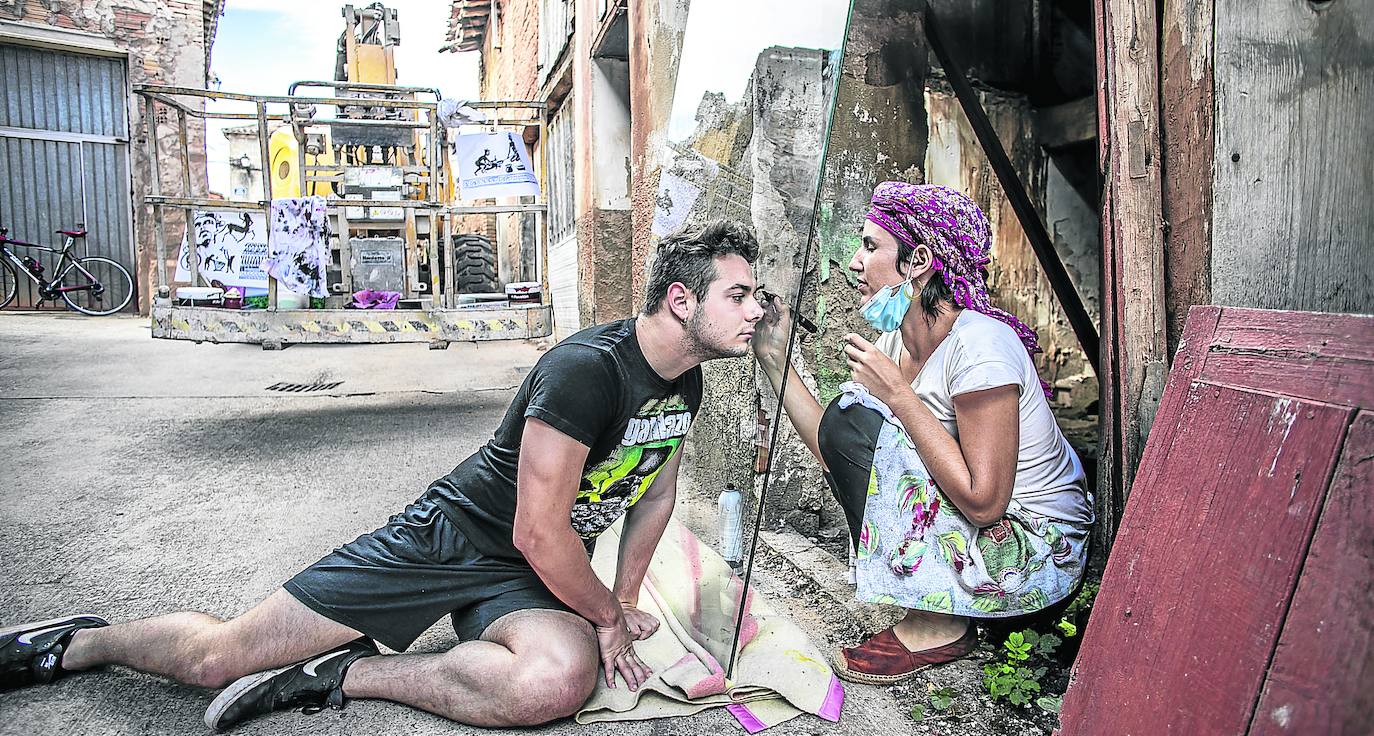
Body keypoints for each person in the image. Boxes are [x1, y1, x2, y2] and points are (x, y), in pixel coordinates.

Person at [0, 220, 765, 729]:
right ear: (681, 298)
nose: (757, 310)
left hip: (528, 576)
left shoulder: (686, 382)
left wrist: (624, 603)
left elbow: (655, 491)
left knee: (554, 685)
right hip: (451, 539)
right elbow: (538, 530)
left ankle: (341, 674)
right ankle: (78, 644)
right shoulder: (585, 372)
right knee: (217, 659)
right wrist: (603, 614)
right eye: (740, 294)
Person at [751, 182, 1092, 684]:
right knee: (850, 418)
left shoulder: (979, 346)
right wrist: (774, 358)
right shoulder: (897, 340)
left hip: (1034, 550)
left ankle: (939, 625)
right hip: (983, 537)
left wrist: (900, 396)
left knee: (860, 415)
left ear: (919, 261)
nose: (853, 262)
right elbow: (838, 447)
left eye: (871, 246)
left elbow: (986, 503)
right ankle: (930, 603)